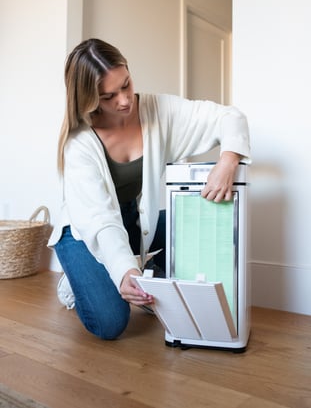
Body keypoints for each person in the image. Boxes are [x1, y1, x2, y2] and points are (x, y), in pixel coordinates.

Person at [48, 38, 251, 340]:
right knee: (111, 323)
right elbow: (102, 221)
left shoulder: (158, 110)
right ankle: (81, 276)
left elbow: (228, 116)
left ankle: (143, 270)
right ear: (89, 99)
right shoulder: (79, 144)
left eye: (126, 84)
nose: (125, 100)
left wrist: (228, 161)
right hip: (84, 230)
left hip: (134, 220)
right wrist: (125, 273)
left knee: (203, 216)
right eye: (109, 96)